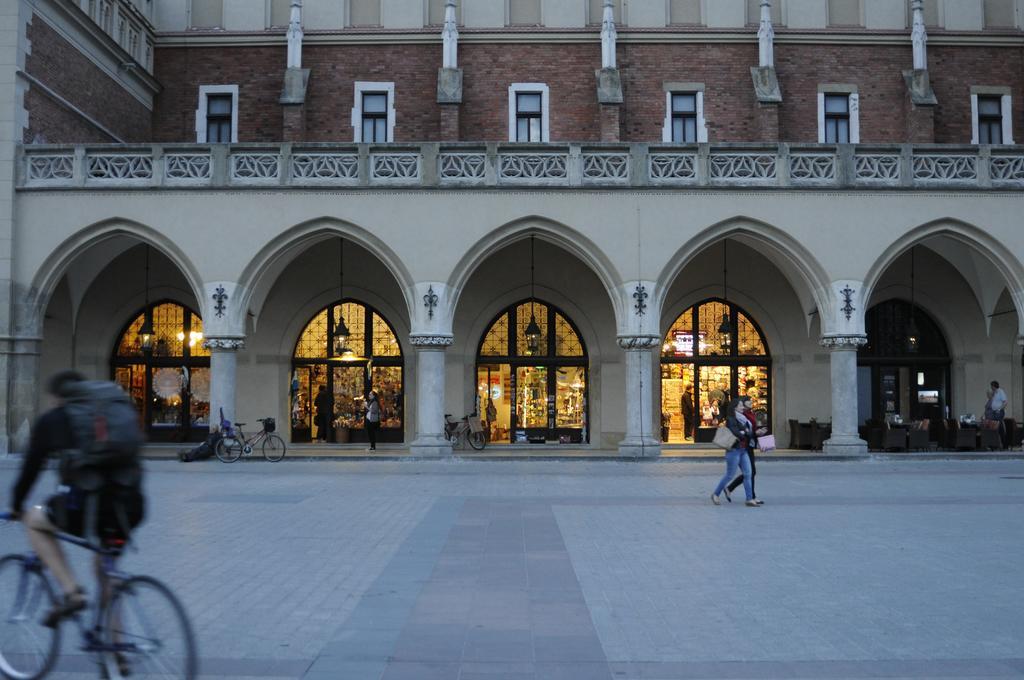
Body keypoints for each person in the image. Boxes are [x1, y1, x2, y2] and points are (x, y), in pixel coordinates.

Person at [8, 371, 145, 627]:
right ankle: (116, 653)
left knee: (34, 520)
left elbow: (30, 469)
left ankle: (72, 592)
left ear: (57, 397)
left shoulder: (55, 418)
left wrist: (16, 506)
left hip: (86, 506)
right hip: (130, 504)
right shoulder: (111, 414)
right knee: (107, 570)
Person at [711, 398, 758, 507]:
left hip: (743, 450)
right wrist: (745, 433)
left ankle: (749, 499)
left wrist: (746, 433)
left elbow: (748, 432)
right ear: (735, 407)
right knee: (729, 475)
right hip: (734, 451)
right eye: (740, 406)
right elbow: (736, 432)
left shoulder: (743, 419)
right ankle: (715, 494)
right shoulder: (731, 419)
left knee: (748, 474)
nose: (743, 407)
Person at [725, 396, 768, 505]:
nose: (751, 402)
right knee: (750, 472)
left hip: (750, 444)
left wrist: (759, 431)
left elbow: (752, 428)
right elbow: (744, 431)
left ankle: (733, 490)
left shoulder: (750, 413)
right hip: (743, 446)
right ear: (743, 403)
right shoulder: (741, 416)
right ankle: (749, 496)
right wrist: (755, 433)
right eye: (749, 401)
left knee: (751, 472)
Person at [986, 380, 1008, 446]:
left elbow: (1005, 402)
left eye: (992, 386)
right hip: (993, 412)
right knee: (994, 427)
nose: (991, 387)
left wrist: (999, 409)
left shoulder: (1000, 391)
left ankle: (1004, 443)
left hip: (999, 412)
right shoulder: (993, 393)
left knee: (999, 426)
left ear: (994, 386)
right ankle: (995, 443)